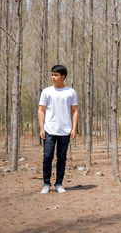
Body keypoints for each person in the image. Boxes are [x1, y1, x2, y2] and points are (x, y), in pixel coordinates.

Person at [38, 65, 78, 194]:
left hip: (65, 130)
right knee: (47, 156)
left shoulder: (70, 92)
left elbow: (75, 111)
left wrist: (74, 128)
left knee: (61, 157)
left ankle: (59, 183)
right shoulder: (46, 91)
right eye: (52, 75)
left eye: (55, 75)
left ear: (63, 77)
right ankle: (46, 183)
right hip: (49, 129)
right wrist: (41, 128)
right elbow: (41, 110)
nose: (53, 77)